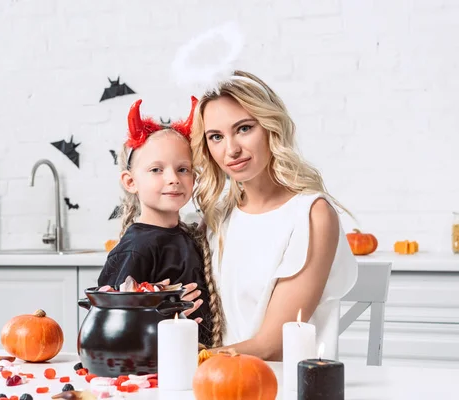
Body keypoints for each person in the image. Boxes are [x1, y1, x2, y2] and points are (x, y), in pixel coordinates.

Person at [190, 70, 358, 361]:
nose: (231, 149)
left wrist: (185, 359)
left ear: (270, 127)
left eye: (244, 128)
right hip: (219, 381)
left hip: (286, 384)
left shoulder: (312, 215)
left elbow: (273, 344)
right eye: (216, 137)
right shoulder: (218, 219)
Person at [97, 97, 218, 348]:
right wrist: (157, 306)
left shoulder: (188, 235)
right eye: (156, 170)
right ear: (130, 182)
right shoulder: (137, 247)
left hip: (193, 361)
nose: (173, 178)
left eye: (183, 169)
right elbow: (109, 322)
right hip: (154, 370)